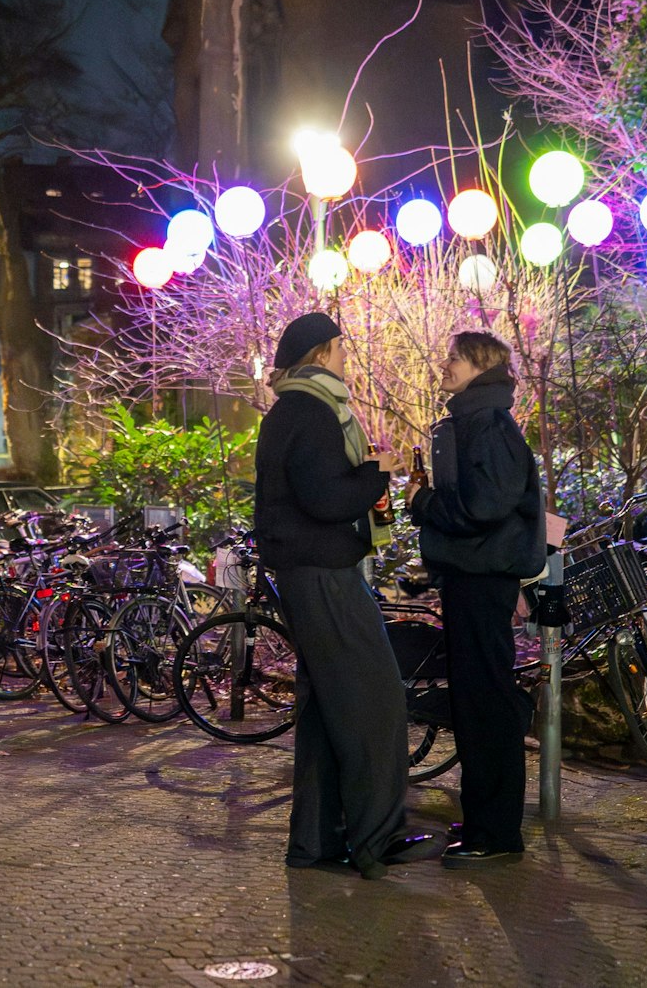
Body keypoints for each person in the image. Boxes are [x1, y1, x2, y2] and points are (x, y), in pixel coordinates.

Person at [253, 312, 428, 881]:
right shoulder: (311, 409)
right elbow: (325, 498)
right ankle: (379, 839)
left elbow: (316, 488)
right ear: (324, 353)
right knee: (375, 701)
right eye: (341, 350)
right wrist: (376, 475)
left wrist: (365, 475)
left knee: (327, 711)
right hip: (324, 571)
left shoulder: (292, 409)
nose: (345, 359)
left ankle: (316, 843)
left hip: (308, 570)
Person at [406, 331, 544, 866]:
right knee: (477, 703)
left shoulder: (488, 425)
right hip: (474, 578)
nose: (446, 364)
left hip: (482, 581)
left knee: (484, 704)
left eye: (455, 358)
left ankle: (497, 833)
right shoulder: (477, 421)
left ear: (478, 366)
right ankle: (486, 822)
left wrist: (425, 503)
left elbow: (485, 505)